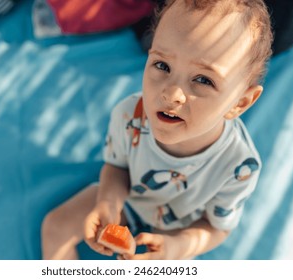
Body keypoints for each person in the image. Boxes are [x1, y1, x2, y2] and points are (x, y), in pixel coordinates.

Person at [41, 0, 273, 260]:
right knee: (55, 227)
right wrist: (109, 204)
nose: (171, 94)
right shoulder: (129, 115)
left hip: (179, 226)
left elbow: (217, 227)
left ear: (239, 103)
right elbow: (117, 168)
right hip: (130, 197)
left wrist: (179, 246)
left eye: (203, 80)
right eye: (162, 65)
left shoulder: (239, 166)